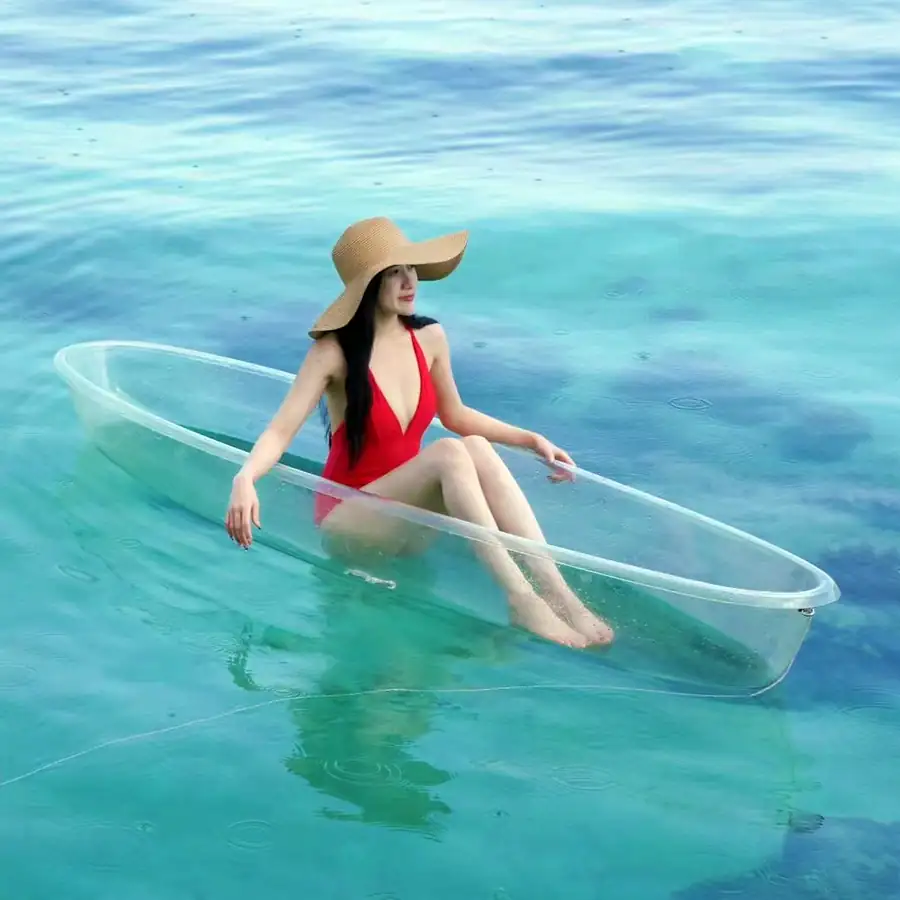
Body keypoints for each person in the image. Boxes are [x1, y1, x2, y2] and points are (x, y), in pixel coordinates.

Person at [224, 216, 614, 649]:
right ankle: (521, 600)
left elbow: (456, 414)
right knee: (449, 453)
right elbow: (280, 432)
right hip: (351, 521)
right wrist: (246, 478)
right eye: (394, 273)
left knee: (475, 446)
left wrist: (530, 438)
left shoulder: (428, 337)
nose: (410, 281)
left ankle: (562, 597)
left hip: (407, 520)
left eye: (411, 268)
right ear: (367, 285)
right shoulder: (332, 353)